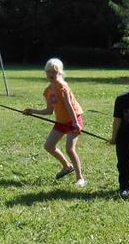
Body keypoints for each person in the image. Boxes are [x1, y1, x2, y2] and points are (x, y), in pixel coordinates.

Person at [23, 58, 86, 187]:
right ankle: (67, 166)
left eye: (54, 72)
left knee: (70, 148)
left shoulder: (63, 88)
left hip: (74, 120)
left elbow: (69, 106)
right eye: (48, 72)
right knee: (48, 146)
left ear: (60, 73)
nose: (51, 74)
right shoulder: (48, 91)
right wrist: (32, 111)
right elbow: (49, 110)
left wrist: (76, 123)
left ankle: (80, 178)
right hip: (61, 122)